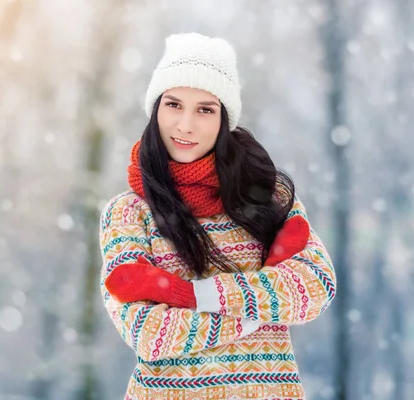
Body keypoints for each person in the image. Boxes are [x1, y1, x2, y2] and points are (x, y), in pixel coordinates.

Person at [98, 32, 336, 400]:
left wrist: (190, 296)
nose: (185, 125)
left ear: (224, 119)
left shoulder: (267, 196)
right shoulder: (129, 213)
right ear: (155, 109)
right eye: (174, 105)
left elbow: (315, 287)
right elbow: (149, 333)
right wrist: (258, 313)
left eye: (205, 109)